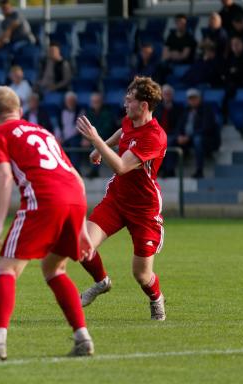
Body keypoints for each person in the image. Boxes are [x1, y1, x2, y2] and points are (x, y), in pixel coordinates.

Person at [0, 86, 94, 362]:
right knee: (54, 268)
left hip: (44, 201)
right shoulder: (42, 131)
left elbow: (4, 176)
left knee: (5, 268)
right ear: (20, 111)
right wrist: (82, 228)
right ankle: (82, 336)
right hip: (74, 199)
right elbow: (76, 177)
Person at [75, 76, 167, 321]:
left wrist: (95, 140)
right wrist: (102, 146)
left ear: (144, 105)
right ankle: (101, 282)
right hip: (117, 200)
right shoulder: (130, 120)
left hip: (144, 210)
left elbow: (121, 167)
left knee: (141, 275)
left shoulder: (155, 136)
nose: (125, 101)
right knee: (82, 245)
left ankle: (156, 299)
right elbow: (122, 131)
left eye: (130, 98)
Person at [174, 88, 220, 179]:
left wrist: (189, 137)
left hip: (206, 139)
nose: (192, 101)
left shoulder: (207, 110)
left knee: (197, 140)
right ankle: (168, 170)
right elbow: (179, 126)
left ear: (200, 98)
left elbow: (207, 128)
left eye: (195, 98)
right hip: (187, 138)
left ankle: (199, 171)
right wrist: (179, 136)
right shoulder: (186, 111)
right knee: (169, 140)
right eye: (190, 99)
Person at [154, 84, 183, 177]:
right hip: (158, 134)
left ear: (173, 95)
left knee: (168, 142)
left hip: (173, 134)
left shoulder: (179, 108)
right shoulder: (156, 108)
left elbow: (180, 124)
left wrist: (177, 134)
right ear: (162, 95)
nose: (167, 95)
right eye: (165, 94)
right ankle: (157, 170)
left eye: (169, 94)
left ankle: (169, 171)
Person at [85, 92, 117, 178]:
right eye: (93, 102)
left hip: (106, 138)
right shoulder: (89, 112)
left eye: (96, 102)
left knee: (96, 144)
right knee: (74, 142)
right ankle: (75, 169)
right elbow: (86, 127)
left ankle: (94, 171)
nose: (94, 104)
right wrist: (84, 138)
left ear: (101, 102)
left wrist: (93, 138)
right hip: (92, 137)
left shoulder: (107, 113)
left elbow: (107, 129)